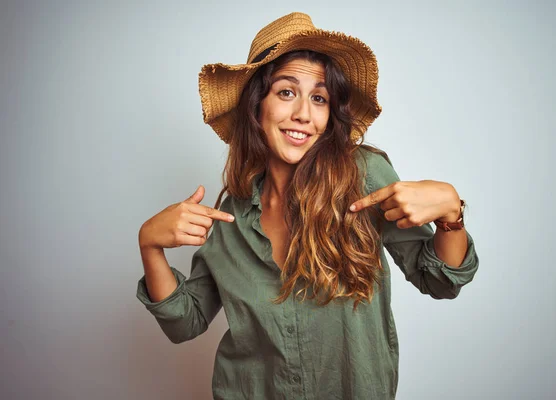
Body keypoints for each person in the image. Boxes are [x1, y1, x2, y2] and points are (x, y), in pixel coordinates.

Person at [136, 12, 479, 400]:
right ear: (256, 106)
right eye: (286, 92)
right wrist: (149, 244)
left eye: (319, 98)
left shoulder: (363, 177)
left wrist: (453, 216)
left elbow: (439, 280)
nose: (303, 113)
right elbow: (186, 321)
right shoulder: (232, 212)